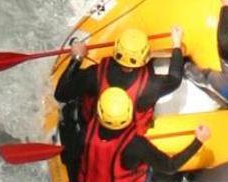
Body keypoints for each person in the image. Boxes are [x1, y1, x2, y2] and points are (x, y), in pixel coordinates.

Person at [76, 87, 210, 182]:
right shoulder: (137, 145)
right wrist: (198, 141)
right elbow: (170, 166)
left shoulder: (86, 130)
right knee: (151, 166)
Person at [56, 25, 186, 136]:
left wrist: (77, 58)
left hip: (94, 128)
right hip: (130, 139)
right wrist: (176, 44)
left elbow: (61, 94)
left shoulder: (94, 74)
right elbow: (175, 79)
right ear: (145, 55)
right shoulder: (151, 86)